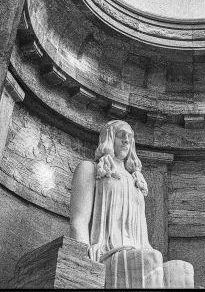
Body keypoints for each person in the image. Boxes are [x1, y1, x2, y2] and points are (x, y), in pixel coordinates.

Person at [69, 120, 194, 288]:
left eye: (130, 137)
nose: (127, 140)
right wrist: (83, 263)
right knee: (150, 259)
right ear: (109, 138)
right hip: (104, 252)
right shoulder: (90, 169)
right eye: (121, 135)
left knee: (182, 269)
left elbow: (143, 239)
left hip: (138, 251)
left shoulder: (136, 181)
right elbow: (79, 221)